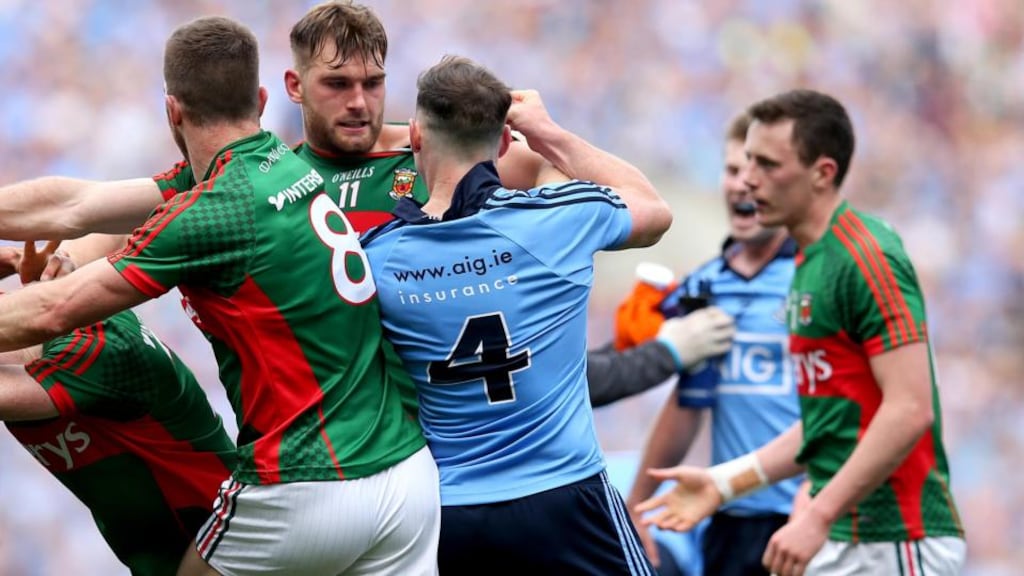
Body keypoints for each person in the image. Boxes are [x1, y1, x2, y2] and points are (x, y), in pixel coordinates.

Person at [0, 0, 666, 412]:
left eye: (373, 83)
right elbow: (82, 208)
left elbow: (575, 182)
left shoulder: (436, 158)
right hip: (321, 450)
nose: (359, 101)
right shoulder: (261, 177)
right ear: (293, 87)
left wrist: (546, 131)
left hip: (434, 443)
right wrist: (66, 258)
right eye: (338, 84)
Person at [0, 16, 440, 576]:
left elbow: (52, 310)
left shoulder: (213, 211)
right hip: (406, 480)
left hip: (307, 481)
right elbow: (75, 205)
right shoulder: (280, 163)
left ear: (173, 111)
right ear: (260, 99)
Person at [361, 55, 671, 574]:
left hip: (451, 514)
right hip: (569, 496)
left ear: (415, 137)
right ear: (505, 143)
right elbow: (653, 209)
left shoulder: (377, 258)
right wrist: (548, 133)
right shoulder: (557, 221)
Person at [635, 89, 966, 576]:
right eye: (745, 162)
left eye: (767, 165)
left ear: (822, 173)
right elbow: (827, 424)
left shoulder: (866, 254)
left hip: (894, 536)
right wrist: (723, 483)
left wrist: (819, 513)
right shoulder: (811, 263)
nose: (747, 181)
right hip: (838, 536)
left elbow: (910, 408)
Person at [617, 112, 801, 576]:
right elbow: (688, 404)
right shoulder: (704, 286)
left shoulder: (819, 276)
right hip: (728, 518)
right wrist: (636, 505)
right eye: (732, 170)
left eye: (757, 172)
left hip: (807, 516)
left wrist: (820, 504)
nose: (742, 184)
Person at [0, 243, 236, 576]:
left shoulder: (97, 351)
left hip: (224, 540)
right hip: (185, 551)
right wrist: (16, 260)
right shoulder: (57, 317)